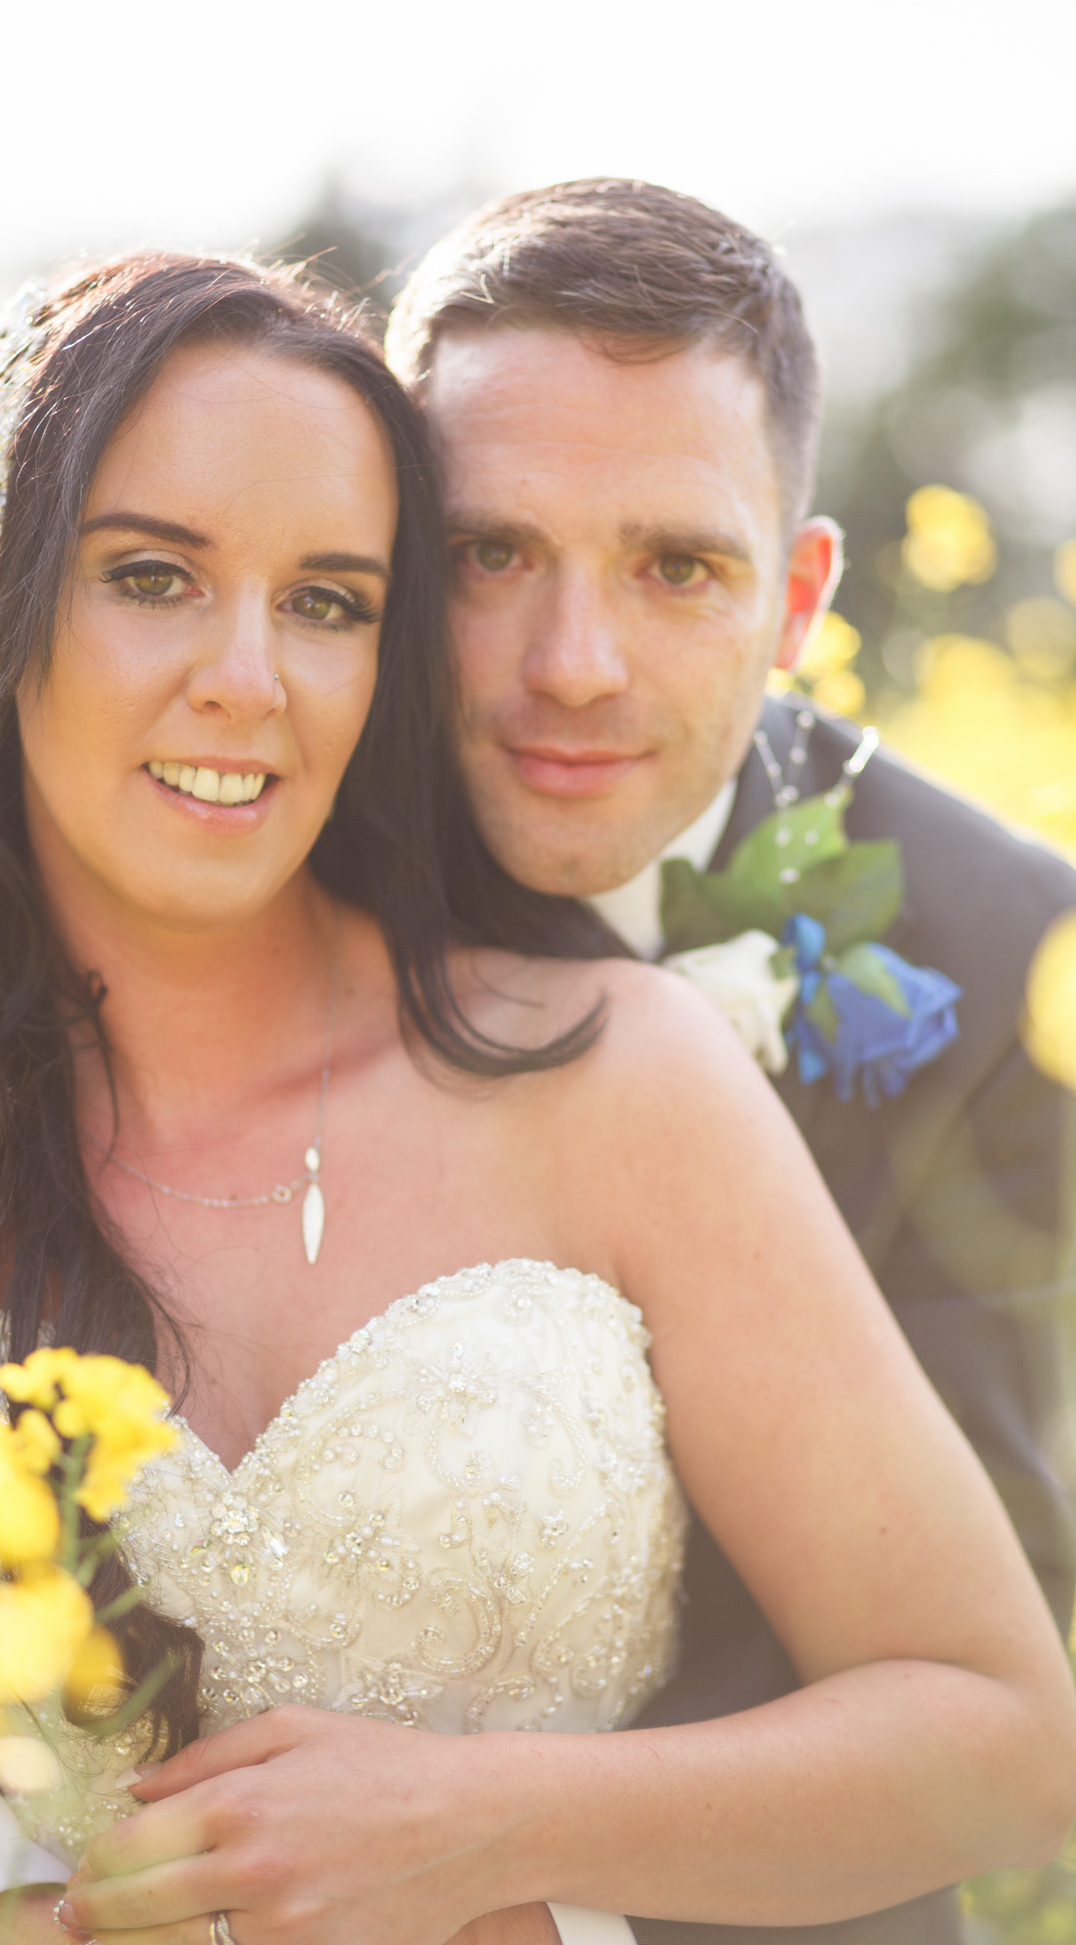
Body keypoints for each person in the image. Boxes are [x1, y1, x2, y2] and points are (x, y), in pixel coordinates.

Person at [0, 250, 1073, 1945]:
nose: (250, 678)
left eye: (329, 602)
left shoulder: (614, 1074)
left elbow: (1003, 1740)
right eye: (152, 578)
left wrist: (478, 1825)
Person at [385, 177, 1076, 1945]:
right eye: (488, 554)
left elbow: (975, 1696)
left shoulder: (993, 958)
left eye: (675, 566)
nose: (574, 666)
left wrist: (477, 1857)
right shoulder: (215, 863)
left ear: (796, 599)